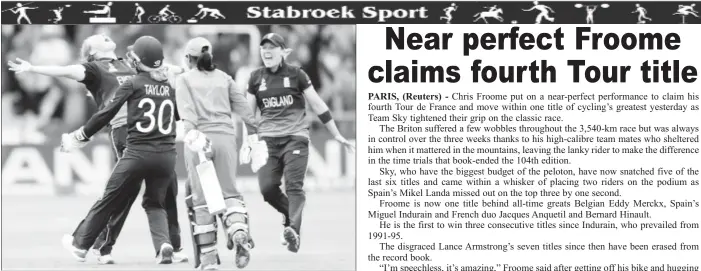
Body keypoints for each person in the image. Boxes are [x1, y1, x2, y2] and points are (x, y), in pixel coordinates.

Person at [6, 34, 187, 264]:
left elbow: (157, 66)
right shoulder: (93, 68)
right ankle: (103, 246)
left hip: (146, 130)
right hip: (126, 131)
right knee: (127, 193)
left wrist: (181, 69)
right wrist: (33, 67)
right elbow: (66, 71)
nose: (104, 35)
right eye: (97, 38)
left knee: (164, 189)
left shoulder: (127, 63)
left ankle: (171, 245)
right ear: (92, 52)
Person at [60, 35, 179, 264]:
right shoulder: (167, 86)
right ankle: (164, 245)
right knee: (155, 203)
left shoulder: (132, 83)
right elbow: (177, 116)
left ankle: (80, 245)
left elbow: (107, 113)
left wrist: (82, 135)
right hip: (166, 156)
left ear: (139, 59)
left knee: (109, 197)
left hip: (136, 153)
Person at [244, 33, 354, 253]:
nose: (267, 51)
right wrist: (250, 141)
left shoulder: (297, 75)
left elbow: (318, 104)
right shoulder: (255, 77)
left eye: (272, 47)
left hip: (296, 139)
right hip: (268, 141)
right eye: (263, 48)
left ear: (284, 52)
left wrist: (336, 134)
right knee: (267, 189)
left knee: (294, 186)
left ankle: (293, 229)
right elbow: (249, 114)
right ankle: (289, 216)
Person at [175, 37, 261, 270]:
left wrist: (193, 134)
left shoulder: (184, 80)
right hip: (226, 139)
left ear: (188, 58)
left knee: (202, 201)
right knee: (229, 194)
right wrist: (253, 136)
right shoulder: (225, 78)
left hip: (200, 141)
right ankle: (238, 231)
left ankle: (209, 259)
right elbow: (244, 108)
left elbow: (188, 115)